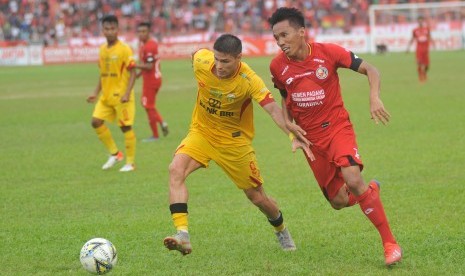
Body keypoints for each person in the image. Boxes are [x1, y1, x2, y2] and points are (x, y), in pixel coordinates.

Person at [268, 7, 402, 266]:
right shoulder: (277, 66)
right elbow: (286, 98)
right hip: (310, 140)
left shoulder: (328, 52)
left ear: (301, 32)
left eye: (284, 35)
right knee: (339, 201)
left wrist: (374, 97)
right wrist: (290, 130)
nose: (280, 42)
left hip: (337, 127)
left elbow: (372, 70)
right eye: (276, 37)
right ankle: (369, 191)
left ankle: (390, 243)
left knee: (352, 179)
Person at [163, 34, 310, 255]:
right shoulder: (202, 61)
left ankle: (281, 229)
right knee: (175, 170)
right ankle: (182, 235)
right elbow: (195, 54)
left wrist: (292, 134)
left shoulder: (249, 79)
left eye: (225, 61)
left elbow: (272, 110)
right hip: (201, 133)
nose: (219, 66)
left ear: (238, 58)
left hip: (234, 143)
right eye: (217, 59)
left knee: (257, 197)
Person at [87, 15, 137, 172]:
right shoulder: (102, 50)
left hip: (122, 96)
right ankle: (115, 154)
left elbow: (133, 72)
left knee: (125, 128)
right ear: (102, 30)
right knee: (95, 122)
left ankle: (130, 163)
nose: (110, 32)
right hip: (106, 96)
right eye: (107, 29)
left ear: (117, 30)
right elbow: (103, 73)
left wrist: (127, 93)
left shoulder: (124, 49)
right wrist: (95, 93)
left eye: (112, 29)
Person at [135, 22, 169, 142]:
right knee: (147, 105)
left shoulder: (149, 46)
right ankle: (161, 125)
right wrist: (138, 74)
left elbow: (149, 66)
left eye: (143, 31)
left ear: (149, 32)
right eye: (139, 31)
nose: (141, 34)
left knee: (148, 105)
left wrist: (135, 66)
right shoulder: (147, 44)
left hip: (151, 80)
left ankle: (156, 134)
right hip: (152, 79)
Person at [406, 16, 434, 83]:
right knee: (419, 62)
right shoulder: (415, 30)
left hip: (426, 48)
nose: (420, 22)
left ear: (423, 21)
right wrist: (408, 48)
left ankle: (424, 73)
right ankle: (420, 75)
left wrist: (433, 43)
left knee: (427, 65)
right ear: (418, 22)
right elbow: (412, 38)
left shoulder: (427, 29)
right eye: (419, 21)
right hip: (419, 48)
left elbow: (429, 37)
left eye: (421, 21)